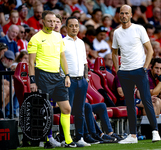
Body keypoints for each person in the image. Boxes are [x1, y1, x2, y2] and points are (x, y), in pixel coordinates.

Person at [112, 5, 161, 144]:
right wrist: (118, 70)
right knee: (129, 103)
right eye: (121, 13)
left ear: (131, 15)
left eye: (126, 13)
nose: (124, 15)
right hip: (124, 72)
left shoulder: (139, 28)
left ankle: (155, 131)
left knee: (146, 100)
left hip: (139, 70)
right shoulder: (117, 32)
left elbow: (150, 50)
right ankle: (133, 135)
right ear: (119, 15)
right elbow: (114, 53)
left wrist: (144, 68)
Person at [27, 10, 76, 148]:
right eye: (50, 21)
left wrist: (67, 75)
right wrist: (32, 81)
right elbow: (31, 62)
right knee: (46, 109)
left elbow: (62, 57)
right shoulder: (35, 38)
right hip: (42, 75)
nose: (53, 24)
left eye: (55, 21)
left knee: (66, 108)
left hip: (57, 76)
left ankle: (68, 140)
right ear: (43, 22)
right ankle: (48, 139)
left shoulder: (58, 36)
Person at [62, 16, 93, 146]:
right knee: (66, 110)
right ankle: (65, 139)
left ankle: (79, 138)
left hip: (81, 81)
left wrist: (85, 79)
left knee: (80, 110)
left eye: (76, 25)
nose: (74, 28)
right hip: (68, 81)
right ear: (66, 28)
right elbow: (60, 63)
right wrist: (63, 78)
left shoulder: (81, 43)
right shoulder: (62, 42)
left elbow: (85, 63)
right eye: (71, 26)